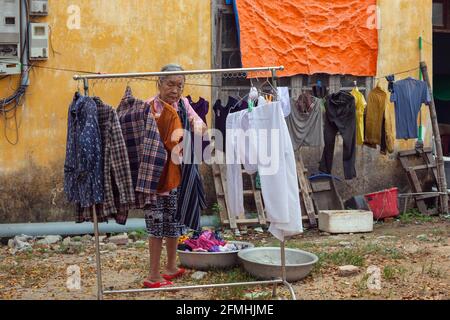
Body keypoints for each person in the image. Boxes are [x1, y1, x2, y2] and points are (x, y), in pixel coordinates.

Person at [143, 64, 207, 288]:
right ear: (158, 83)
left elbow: (199, 122)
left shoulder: (183, 104)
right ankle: (153, 275)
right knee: (156, 225)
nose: (175, 90)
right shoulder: (149, 107)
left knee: (173, 222)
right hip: (155, 179)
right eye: (170, 84)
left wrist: (198, 125)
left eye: (180, 85)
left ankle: (170, 267)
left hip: (176, 176)